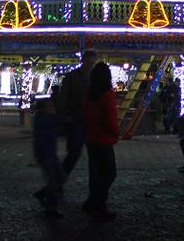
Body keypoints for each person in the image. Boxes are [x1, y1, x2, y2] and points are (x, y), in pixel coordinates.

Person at [53, 50, 99, 184]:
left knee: (91, 155)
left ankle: (57, 183)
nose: (91, 66)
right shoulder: (72, 77)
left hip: (89, 120)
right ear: (83, 61)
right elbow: (63, 98)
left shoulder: (94, 78)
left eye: (93, 63)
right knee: (74, 153)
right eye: (89, 63)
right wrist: (64, 115)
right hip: (76, 119)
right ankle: (57, 182)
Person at [83, 62, 119, 220]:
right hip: (104, 139)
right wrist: (115, 134)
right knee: (110, 173)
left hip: (91, 138)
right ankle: (97, 202)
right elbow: (110, 118)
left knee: (95, 172)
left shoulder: (90, 94)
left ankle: (94, 202)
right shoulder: (107, 95)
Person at [33, 99, 63, 217]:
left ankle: (42, 194)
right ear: (43, 109)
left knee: (59, 178)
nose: (52, 108)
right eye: (49, 106)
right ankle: (51, 208)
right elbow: (58, 122)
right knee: (55, 180)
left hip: (50, 154)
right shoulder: (44, 120)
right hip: (45, 155)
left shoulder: (44, 118)